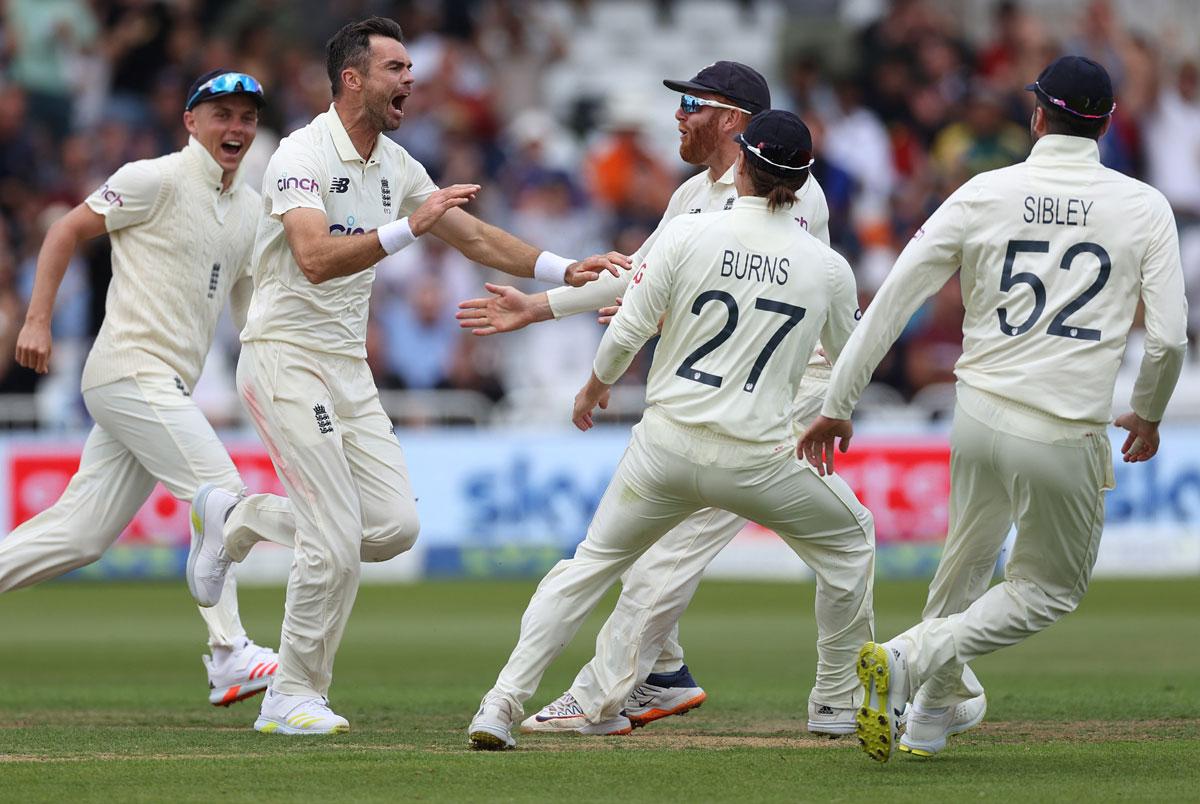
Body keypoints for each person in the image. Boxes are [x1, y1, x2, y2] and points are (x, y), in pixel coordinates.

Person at [184, 17, 622, 736]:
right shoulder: (300, 152)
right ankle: (291, 696)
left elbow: (474, 235)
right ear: (353, 78)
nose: (410, 80)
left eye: (411, 67)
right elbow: (315, 256)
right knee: (331, 536)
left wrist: (562, 269)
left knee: (392, 527)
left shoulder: (395, 164)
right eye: (396, 68)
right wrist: (408, 229)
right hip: (284, 354)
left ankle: (239, 518)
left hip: (346, 367)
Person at [458, 63, 871, 738]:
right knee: (655, 553)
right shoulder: (692, 198)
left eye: (691, 104)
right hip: (731, 405)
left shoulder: (801, 200)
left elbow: (684, 293)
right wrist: (538, 306)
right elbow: (636, 277)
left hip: (780, 399)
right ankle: (670, 674)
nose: (677, 116)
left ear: (735, 124)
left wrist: (611, 360)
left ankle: (600, 698)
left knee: (658, 557)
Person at [799, 56, 1188, 762]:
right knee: (1049, 591)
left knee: (966, 565)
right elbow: (1165, 339)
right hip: (1063, 426)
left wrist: (838, 399)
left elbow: (894, 296)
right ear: (1103, 126)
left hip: (976, 411)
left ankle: (927, 721)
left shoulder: (985, 191)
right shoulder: (1142, 205)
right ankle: (910, 659)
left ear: (1037, 116)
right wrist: (1149, 411)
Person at [0, 69, 297, 708]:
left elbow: (248, 316)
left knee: (80, 534)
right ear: (191, 121)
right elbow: (63, 231)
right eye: (221, 114)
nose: (236, 128)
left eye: (246, 117)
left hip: (163, 386)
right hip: (128, 369)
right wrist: (37, 319)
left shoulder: (249, 210)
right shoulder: (152, 178)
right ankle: (229, 654)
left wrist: (282, 377)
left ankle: (229, 655)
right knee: (220, 494)